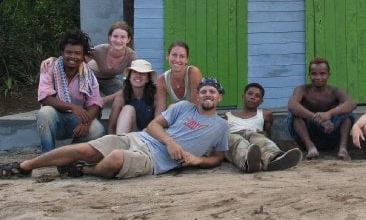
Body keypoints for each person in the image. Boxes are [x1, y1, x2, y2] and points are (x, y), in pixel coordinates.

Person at [0, 78, 229, 179]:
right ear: (198, 95)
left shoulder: (221, 126)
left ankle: (87, 171)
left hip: (153, 161)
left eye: (212, 92)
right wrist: (170, 142)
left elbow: (218, 157)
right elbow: (152, 126)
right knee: (85, 149)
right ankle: (24, 166)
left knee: (116, 158)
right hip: (137, 138)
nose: (208, 94)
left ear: (219, 97)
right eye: (204, 91)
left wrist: (198, 161)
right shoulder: (183, 107)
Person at [36, 29, 105, 153]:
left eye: (78, 53)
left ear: (84, 55)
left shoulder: (88, 74)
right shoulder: (49, 68)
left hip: (77, 120)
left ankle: (68, 155)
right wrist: (72, 107)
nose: (73, 57)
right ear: (62, 52)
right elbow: (45, 97)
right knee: (44, 113)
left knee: (97, 129)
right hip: (55, 118)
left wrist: (86, 123)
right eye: (69, 52)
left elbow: (95, 102)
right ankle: (47, 156)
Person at [42, 21, 138, 105]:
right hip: (90, 76)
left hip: (110, 80)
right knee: (89, 102)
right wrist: (53, 59)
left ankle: (118, 122)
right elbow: (77, 55)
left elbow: (135, 77)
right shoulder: (100, 50)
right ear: (109, 37)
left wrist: (105, 100)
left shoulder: (131, 56)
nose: (118, 40)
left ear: (128, 39)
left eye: (123, 37)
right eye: (115, 36)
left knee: (128, 95)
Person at [287, 57, 357, 160]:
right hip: (309, 135)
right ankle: (310, 147)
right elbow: (292, 105)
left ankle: (343, 149)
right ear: (309, 75)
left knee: (347, 116)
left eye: (322, 73)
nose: (318, 77)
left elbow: (352, 103)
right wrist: (318, 119)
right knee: (294, 115)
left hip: (330, 132)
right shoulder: (302, 90)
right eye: (314, 74)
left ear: (329, 74)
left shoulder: (334, 91)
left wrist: (329, 114)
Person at [225, 82, 303, 173]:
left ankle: (274, 159)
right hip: (235, 136)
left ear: (261, 101)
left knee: (261, 139)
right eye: (249, 94)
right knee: (238, 141)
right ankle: (248, 162)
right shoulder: (228, 116)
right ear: (243, 96)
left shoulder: (265, 114)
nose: (252, 97)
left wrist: (263, 134)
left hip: (254, 136)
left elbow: (268, 135)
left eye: (257, 96)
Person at [107, 59, 158, 135]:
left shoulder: (155, 95)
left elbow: (159, 122)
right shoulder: (121, 96)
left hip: (148, 136)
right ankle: (121, 143)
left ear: (147, 79)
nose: (138, 75)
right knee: (128, 109)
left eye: (142, 73)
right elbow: (111, 126)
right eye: (135, 72)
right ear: (129, 76)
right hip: (128, 135)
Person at [155, 41, 203, 116]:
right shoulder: (162, 79)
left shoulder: (193, 73)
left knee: (171, 107)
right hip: (177, 118)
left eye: (182, 56)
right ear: (167, 56)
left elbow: (197, 107)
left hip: (196, 118)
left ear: (187, 59)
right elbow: (160, 111)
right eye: (174, 55)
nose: (177, 60)